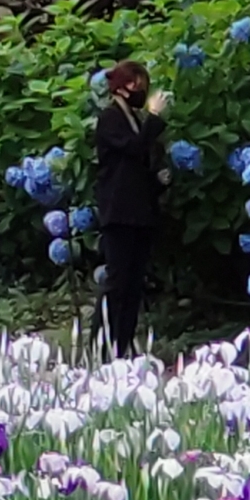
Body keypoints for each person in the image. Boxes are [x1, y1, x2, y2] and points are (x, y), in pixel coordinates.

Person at [94, 59, 168, 358]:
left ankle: (122, 348)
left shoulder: (133, 119)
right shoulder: (110, 118)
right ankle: (101, 349)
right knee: (117, 283)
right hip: (119, 212)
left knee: (134, 286)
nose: (142, 92)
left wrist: (158, 180)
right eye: (137, 85)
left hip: (140, 212)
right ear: (122, 88)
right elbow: (134, 148)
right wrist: (154, 117)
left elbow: (138, 163)